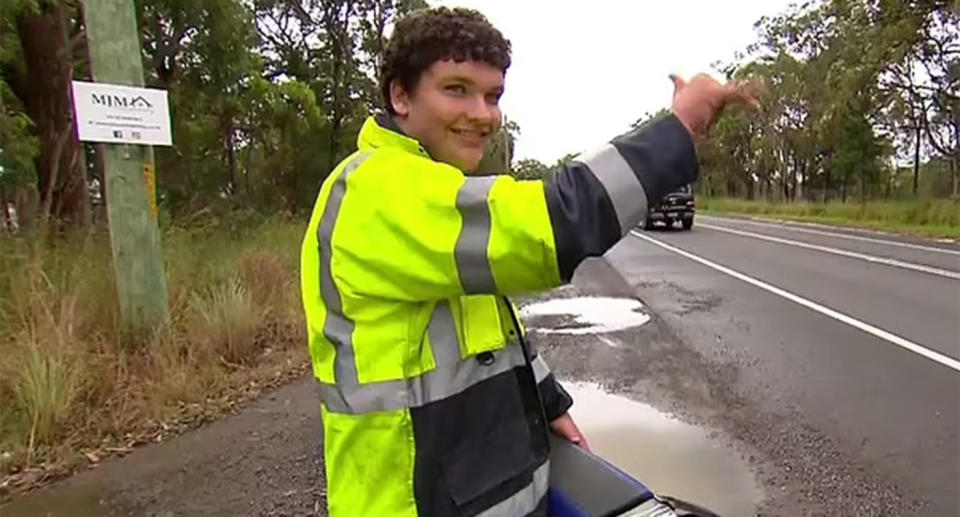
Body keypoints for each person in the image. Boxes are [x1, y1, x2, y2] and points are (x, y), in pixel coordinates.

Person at [300, 7, 757, 517]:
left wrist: (546, 402)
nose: (482, 114)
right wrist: (680, 128)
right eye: (456, 89)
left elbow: (487, 333)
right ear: (400, 96)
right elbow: (553, 226)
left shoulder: (434, 193)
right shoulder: (380, 191)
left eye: (493, 95)